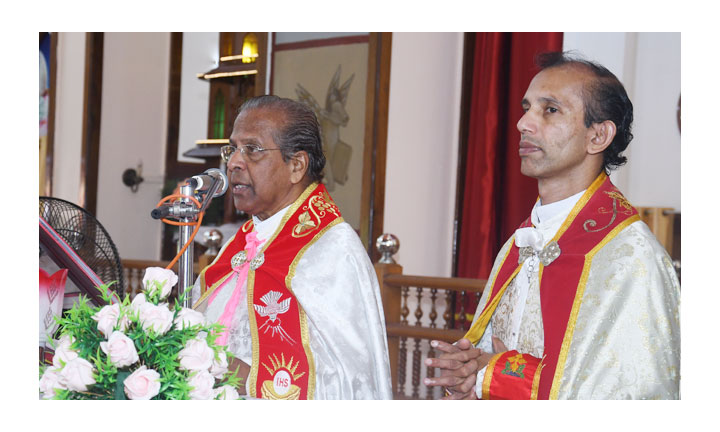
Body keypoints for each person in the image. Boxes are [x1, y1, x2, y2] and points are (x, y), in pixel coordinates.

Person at [424, 52, 680, 399]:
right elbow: (489, 360)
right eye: (526, 107)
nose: (523, 124)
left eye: (550, 110)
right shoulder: (524, 240)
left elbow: (628, 395)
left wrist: (496, 373)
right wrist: (469, 376)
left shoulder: (630, 258)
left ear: (599, 136)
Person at [191, 95, 392, 400]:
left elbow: (354, 384)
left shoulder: (333, 250)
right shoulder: (242, 241)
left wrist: (244, 375)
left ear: (297, 165)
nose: (233, 162)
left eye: (252, 150)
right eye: (232, 149)